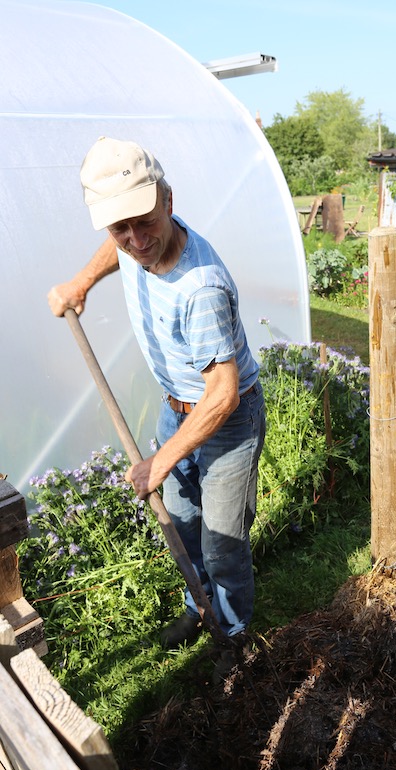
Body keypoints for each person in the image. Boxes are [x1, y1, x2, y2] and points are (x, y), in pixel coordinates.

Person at [48, 136, 266, 650]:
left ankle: (233, 637)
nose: (135, 239)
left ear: (168, 201)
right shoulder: (129, 238)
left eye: (144, 221)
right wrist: (81, 282)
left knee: (222, 542)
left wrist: (160, 462)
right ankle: (200, 607)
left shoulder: (201, 288)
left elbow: (223, 394)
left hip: (225, 420)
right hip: (176, 408)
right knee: (185, 526)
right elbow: (117, 247)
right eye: (120, 226)